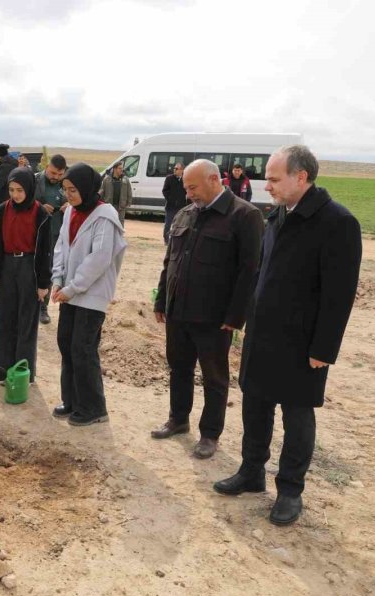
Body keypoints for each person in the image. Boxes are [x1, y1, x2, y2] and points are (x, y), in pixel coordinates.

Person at [214, 145, 362, 526]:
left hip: (302, 345)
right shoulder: (278, 216)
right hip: (263, 337)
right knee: (255, 406)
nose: (267, 186)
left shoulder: (337, 223)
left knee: (297, 417)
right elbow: (262, 274)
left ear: (302, 177)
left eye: (275, 179)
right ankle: (251, 473)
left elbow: (338, 296)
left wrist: (324, 349)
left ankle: (290, 490)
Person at [151, 159, 264, 458]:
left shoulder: (244, 216)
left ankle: (210, 434)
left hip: (214, 317)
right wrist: (162, 300)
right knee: (179, 368)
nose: (188, 194)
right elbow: (170, 261)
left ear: (215, 180)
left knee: (214, 377)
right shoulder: (187, 213)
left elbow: (249, 271)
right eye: (186, 188)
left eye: (192, 187)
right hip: (178, 310)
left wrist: (236, 316)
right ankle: (178, 419)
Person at [51, 163, 127, 426]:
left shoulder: (105, 216)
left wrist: (72, 288)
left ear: (87, 188)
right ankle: (72, 401)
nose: (68, 195)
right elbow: (61, 245)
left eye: (73, 190)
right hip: (69, 292)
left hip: (91, 294)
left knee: (82, 348)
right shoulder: (71, 211)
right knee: (65, 343)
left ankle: (94, 408)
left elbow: (100, 258)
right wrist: (57, 280)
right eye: (65, 190)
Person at [0, 168, 51, 384]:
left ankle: (24, 372)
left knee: (26, 320)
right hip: (7, 266)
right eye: (11, 190)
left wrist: (43, 283)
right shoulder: (1, 210)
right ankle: (3, 368)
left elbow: (45, 251)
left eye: (20, 190)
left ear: (29, 189)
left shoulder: (40, 213)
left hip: (29, 267)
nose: (15, 195)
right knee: (4, 318)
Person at [35, 154, 68, 324]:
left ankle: (43, 307)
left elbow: (76, 200)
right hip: (34, 233)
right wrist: (39, 207)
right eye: (53, 173)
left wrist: (69, 205)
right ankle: (30, 305)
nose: (56, 177)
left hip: (56, 233)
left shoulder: (66, 183)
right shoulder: (34, 180)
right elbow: (21, 200)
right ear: (47, 167)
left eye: (59, 174)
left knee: (48, 270)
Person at [100, 161, 132, 225]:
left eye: (122, 168)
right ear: (114, 169)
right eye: (120, 168)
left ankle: (119, 235)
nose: (122, 170)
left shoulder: (125, 179)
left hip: (121, 206)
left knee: (120, 223)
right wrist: (102, 203)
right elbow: (102, 192)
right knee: (110, 223)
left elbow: (129, 191)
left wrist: (129, 202)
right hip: (110, 206)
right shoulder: (107, 179)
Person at [162, 163, 187, 244]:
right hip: (171, 206)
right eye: (174, 168)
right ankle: (166, 240)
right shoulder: (169, 178)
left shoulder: (185, 179)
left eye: (176, 168)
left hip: (182, 207)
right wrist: (171, 200)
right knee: (168, 224)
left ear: (182, 170)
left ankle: (176, 240)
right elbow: (165, 191)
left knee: (179, 225)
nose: (174, 170)